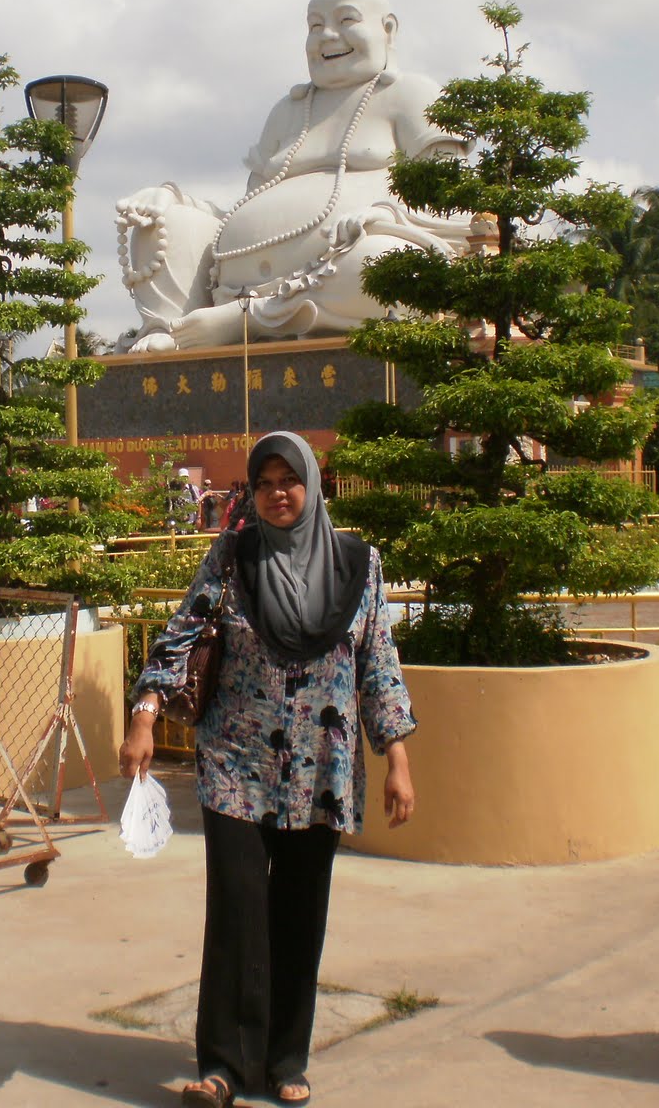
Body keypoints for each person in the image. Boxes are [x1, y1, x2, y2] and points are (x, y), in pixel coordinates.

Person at [120, 431, 416, 1108]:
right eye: (265, 483)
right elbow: (181, 633)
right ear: (251, 493)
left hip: (322, 768)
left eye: (290, 480)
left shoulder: (358, 564)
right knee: (237, 911)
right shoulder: (234, 556)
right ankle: (222, 1065)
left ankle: (285, 1059)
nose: (278, 493)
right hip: (236, 762)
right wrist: (144, 715)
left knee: (299, 913)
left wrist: (396, 759)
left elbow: (378, 663)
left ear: (313, 485)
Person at [115, 0, 493, 352]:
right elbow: (247, 204)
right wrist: (174, 201)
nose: (327, 35)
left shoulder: (412, 94)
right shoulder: (288, 111)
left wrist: (383, 215)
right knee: (163, 221)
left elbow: (450, 203)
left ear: (387, 29)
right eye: (315, 25)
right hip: (233, 282)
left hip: (348, 266)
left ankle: (247, 320)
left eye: (346, 20)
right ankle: (170, 328)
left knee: (393, 269)